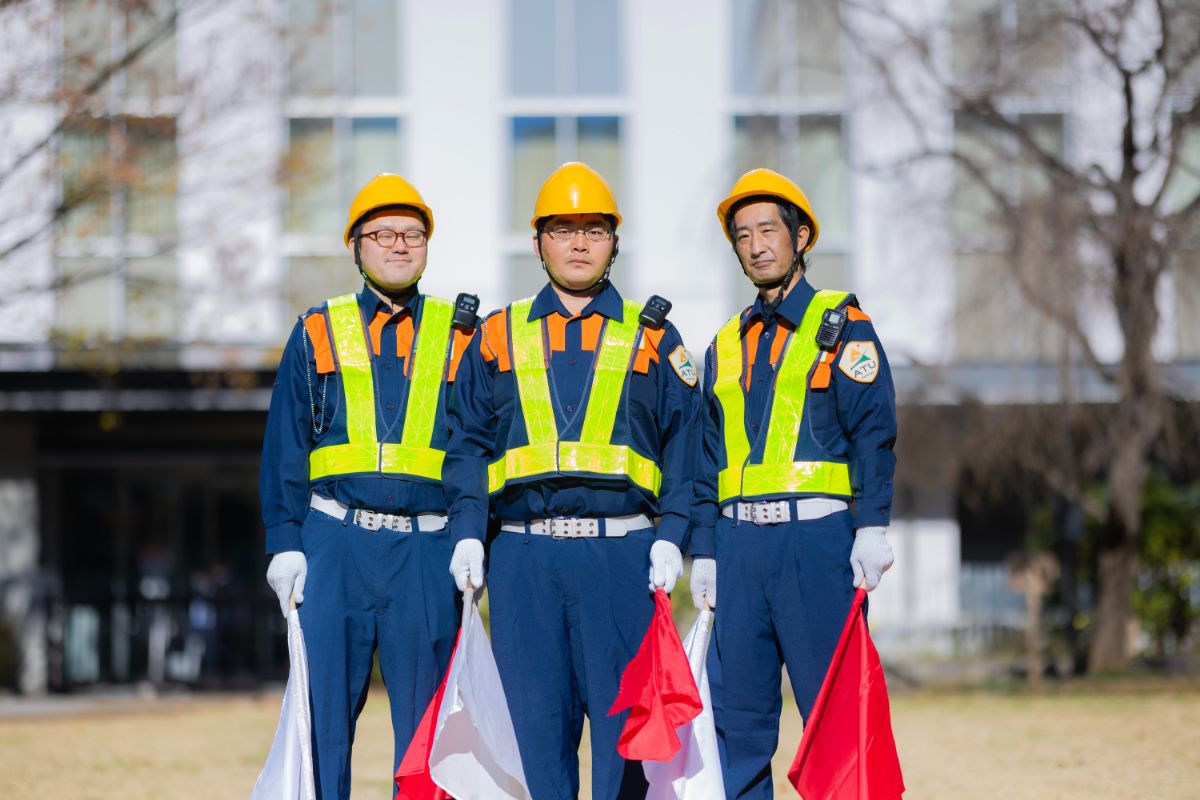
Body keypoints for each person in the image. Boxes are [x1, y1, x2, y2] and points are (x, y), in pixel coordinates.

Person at [443, 162, 701, 799]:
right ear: (538, 243)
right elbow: (467, 445)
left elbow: (688, 449)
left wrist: (674, 535)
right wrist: (469, 531)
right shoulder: (495, 336)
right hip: (523, 562)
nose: (579, 243)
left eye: (594, 230)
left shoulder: (654, 337)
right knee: (534, 744)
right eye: (562, 230)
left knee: (626, 749)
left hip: (624, 561)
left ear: (614, 242)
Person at [260, 174, 473, 799]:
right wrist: (284, 540)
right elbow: (286, 444)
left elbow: (475, 451)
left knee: (430, 732)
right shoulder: (317, 328)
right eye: (382, 234)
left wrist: (470, 534)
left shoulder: (463, 334)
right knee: (322, 724)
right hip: (334, 546)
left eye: (412, 234)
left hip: (427, 552)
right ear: (355, 245)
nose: (399, 245)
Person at [690, 168, 898, 798]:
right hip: (738, 552)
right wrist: (705, 549)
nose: (756, 246)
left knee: (836, 725)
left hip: (817, 547)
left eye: (768, 230)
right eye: (742, 235)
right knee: (736, 727)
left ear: (801, 236)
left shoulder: (844, 326)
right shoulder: (723, 345)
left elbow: (874, 433)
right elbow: (705, 461)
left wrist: (872, 526)